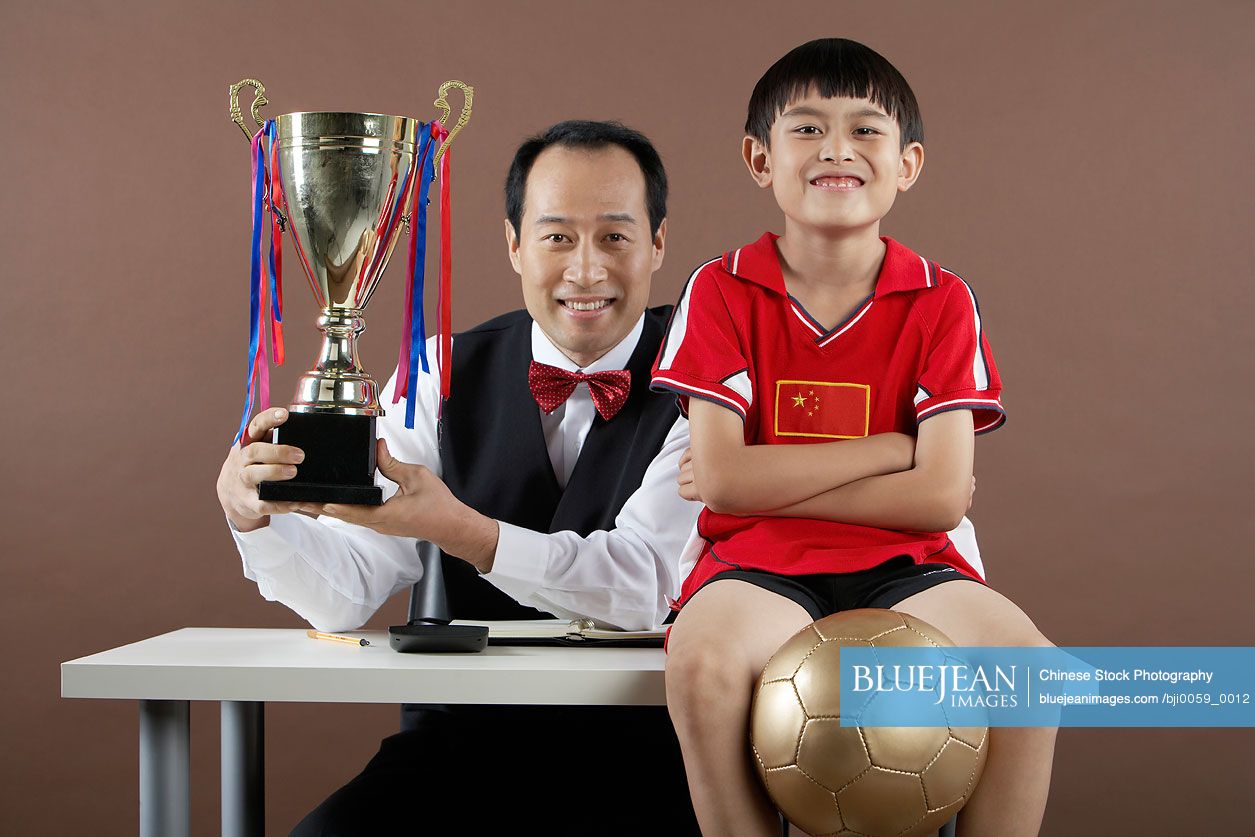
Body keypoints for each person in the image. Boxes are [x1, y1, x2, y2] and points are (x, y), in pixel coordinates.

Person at [217, 120, 703, 835]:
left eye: (614, 236)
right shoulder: (437, 371)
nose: (586, 270)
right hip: (461, 744)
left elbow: (641, 587)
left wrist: (461, 531)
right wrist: (260, 517)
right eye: (557, 236)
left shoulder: (706, 381)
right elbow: (345, 593)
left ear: (657, 243)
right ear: (513, 244)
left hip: (648, 748)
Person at [651, 39, 1056, 837]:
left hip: (906, 566)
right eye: (805, 129)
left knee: (1033, 672)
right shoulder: (719, 288)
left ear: (906, 164)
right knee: (700, 667)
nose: (836, 147)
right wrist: (888, 447)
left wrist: (770, 469)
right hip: (755, 564)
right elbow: (727, 487)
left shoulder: (943, 300)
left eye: (865, 130)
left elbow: (938, 497)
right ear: (758, 158)